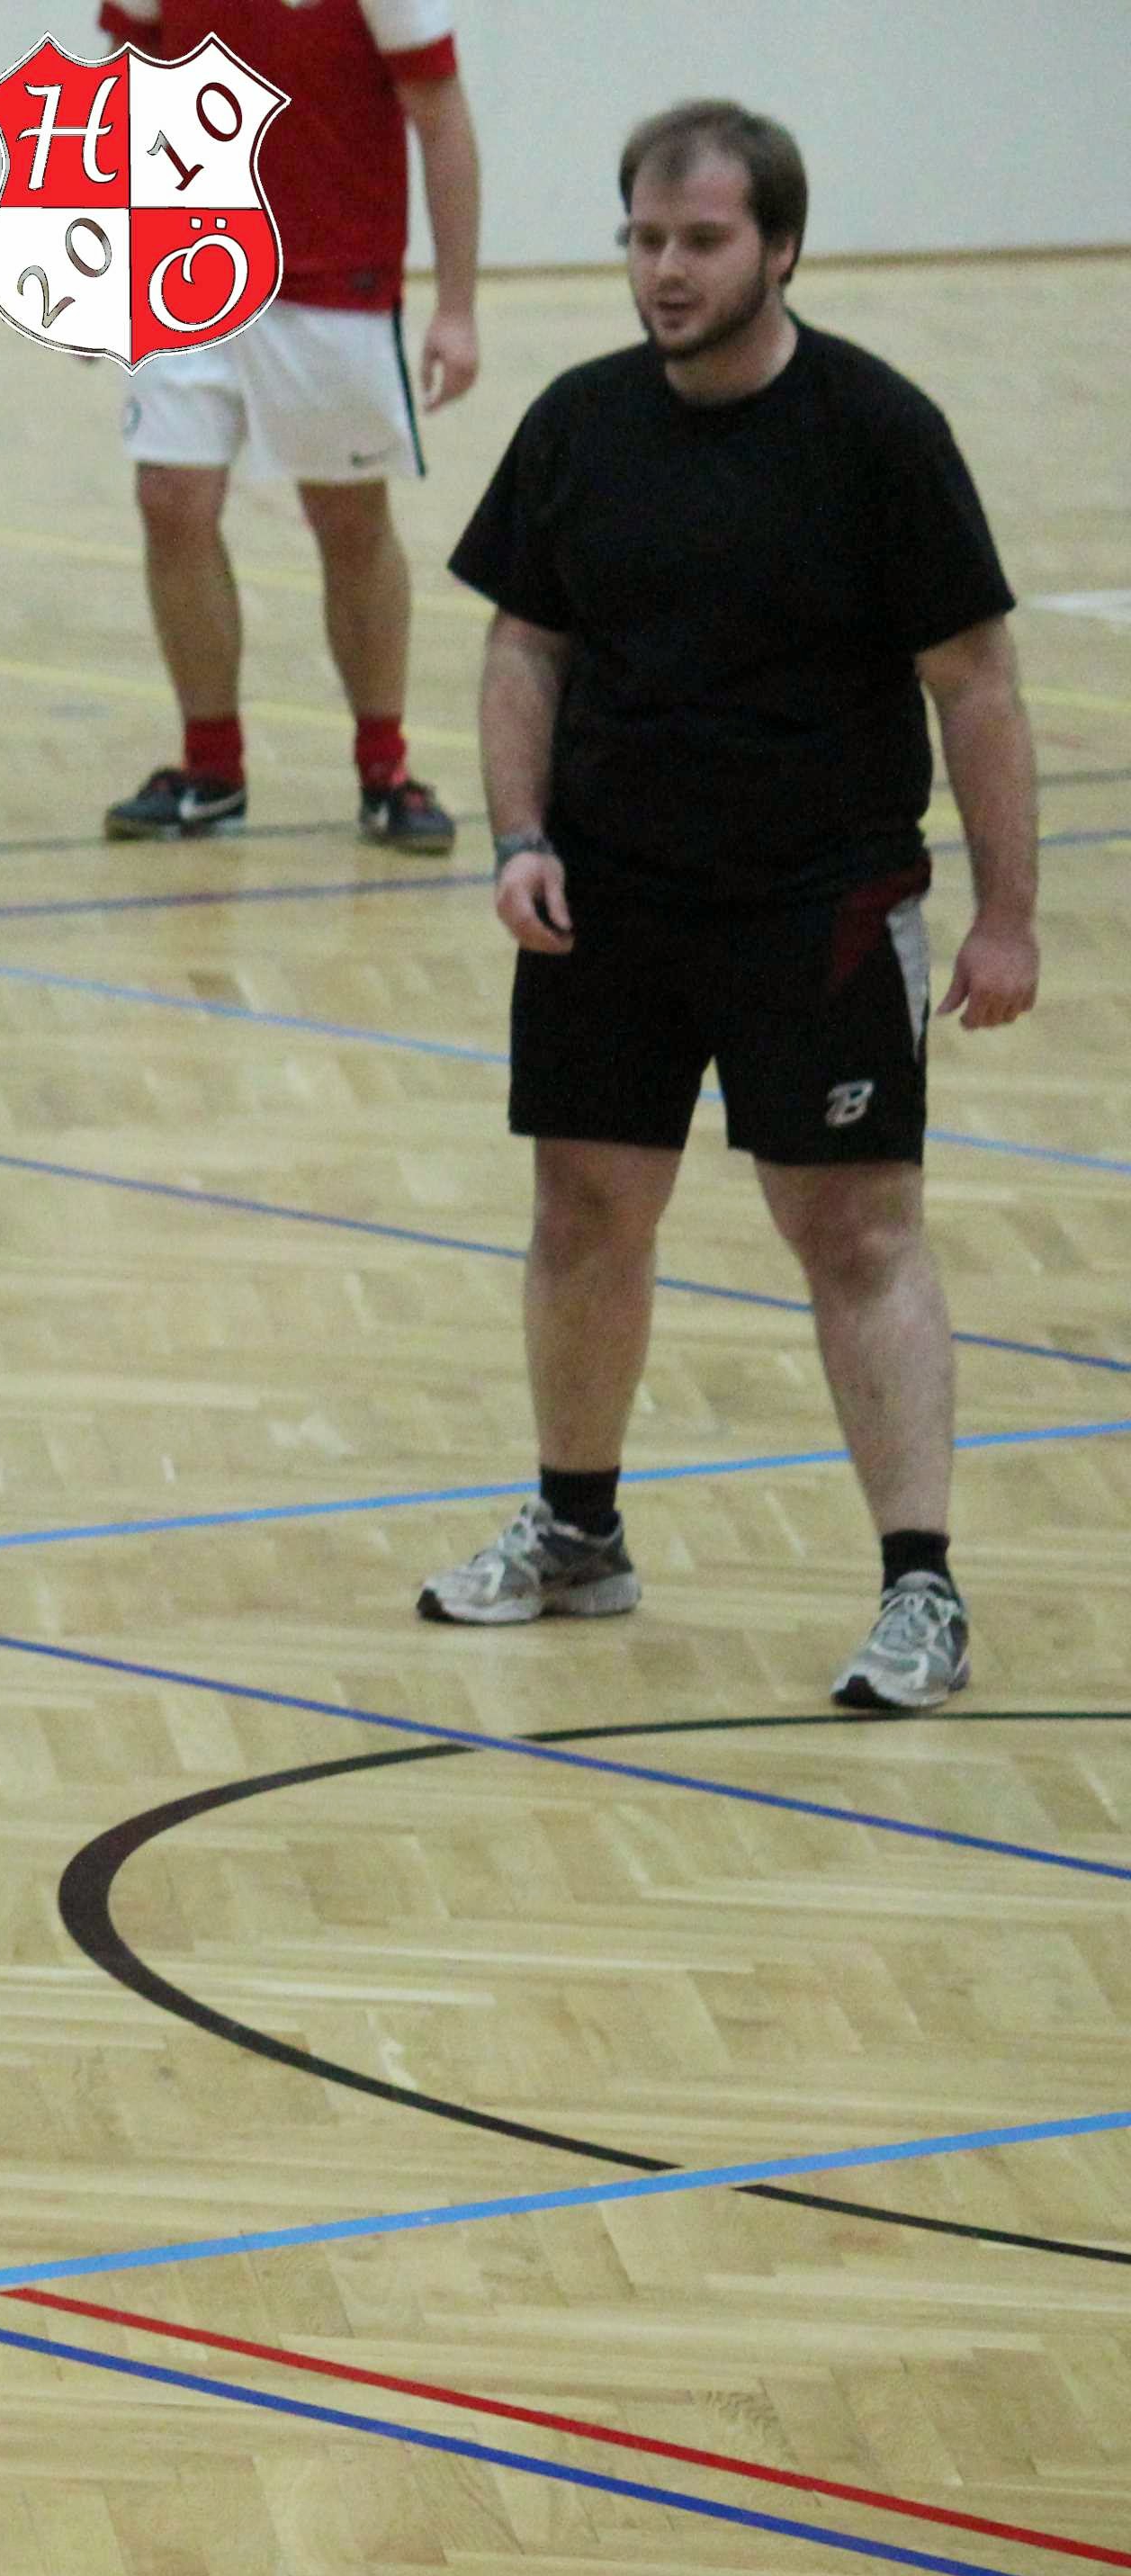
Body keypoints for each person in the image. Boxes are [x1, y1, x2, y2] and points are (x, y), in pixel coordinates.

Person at [417, 101, 1038, 1711]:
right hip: (608, 902)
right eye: (643, 239)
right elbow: (522, 646)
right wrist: (517, 835)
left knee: (855, 1231)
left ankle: (919, 1587)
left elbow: (973, 682)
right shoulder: (578, 424)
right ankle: (577, 1532)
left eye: (700, 240)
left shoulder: (875, 433)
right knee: (581, 1210)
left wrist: (1006, 915)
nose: (665, 270)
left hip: (816, 907)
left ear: (780, 249)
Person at [95, 0, 483, 852]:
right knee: (170, 500)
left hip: (334, 281)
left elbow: (440, 116)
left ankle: (384, 770)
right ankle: (212, 772)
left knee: (348, 518)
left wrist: (456, 308)